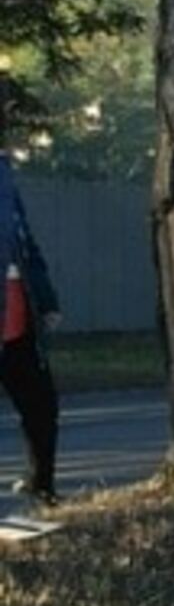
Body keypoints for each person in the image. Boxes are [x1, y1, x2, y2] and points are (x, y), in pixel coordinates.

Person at [0, 133, 62, 509]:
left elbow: (26, 243)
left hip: (18, 314)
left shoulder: (5, 175)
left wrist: (46, 298)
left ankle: (43, 484)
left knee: (42, 405)